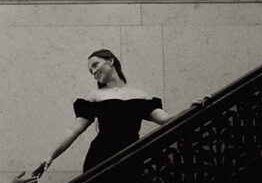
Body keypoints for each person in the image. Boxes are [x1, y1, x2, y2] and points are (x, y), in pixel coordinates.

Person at [35, 49, 171, 175]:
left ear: (110, 61)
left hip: (131, 156)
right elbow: (74, 130)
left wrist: (190, 109)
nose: (93, 72)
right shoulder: (94, 96)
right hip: (100, 157)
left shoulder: (140, 95)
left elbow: (165, 119)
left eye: (95, 65)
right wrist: (51, 155)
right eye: (90, 71)